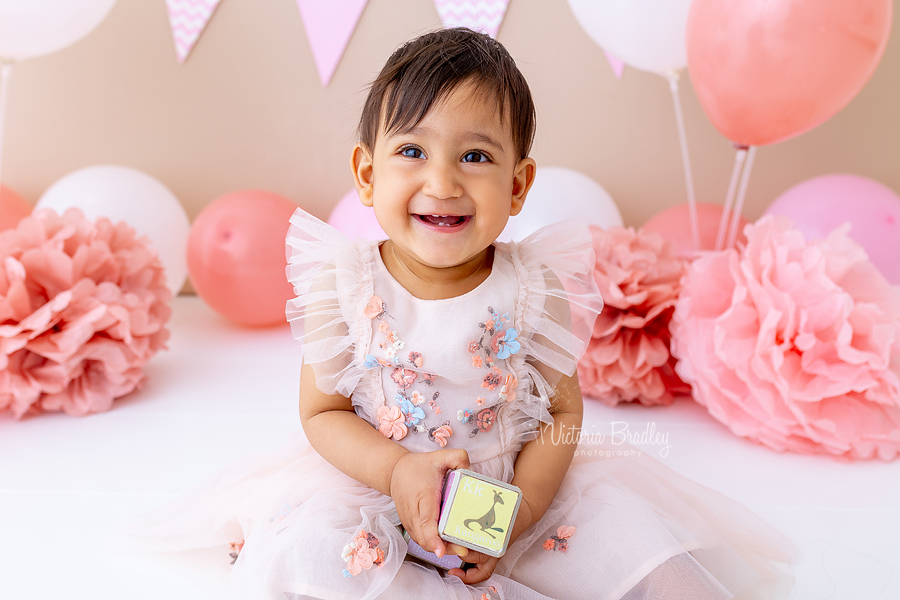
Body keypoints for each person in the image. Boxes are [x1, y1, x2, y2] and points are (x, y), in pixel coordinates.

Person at [126, 28, 793, 599]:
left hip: (509, 489)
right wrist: (394, 470)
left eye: (475, 156)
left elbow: (561, 415)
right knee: (310, 555)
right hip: (376, 488)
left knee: (643, 557)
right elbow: (321, 413)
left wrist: (525, 509)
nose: (442, 182)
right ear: (366, 174)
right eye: (412, 152)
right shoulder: (345, 285)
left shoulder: (535, 288)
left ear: (518, 185)